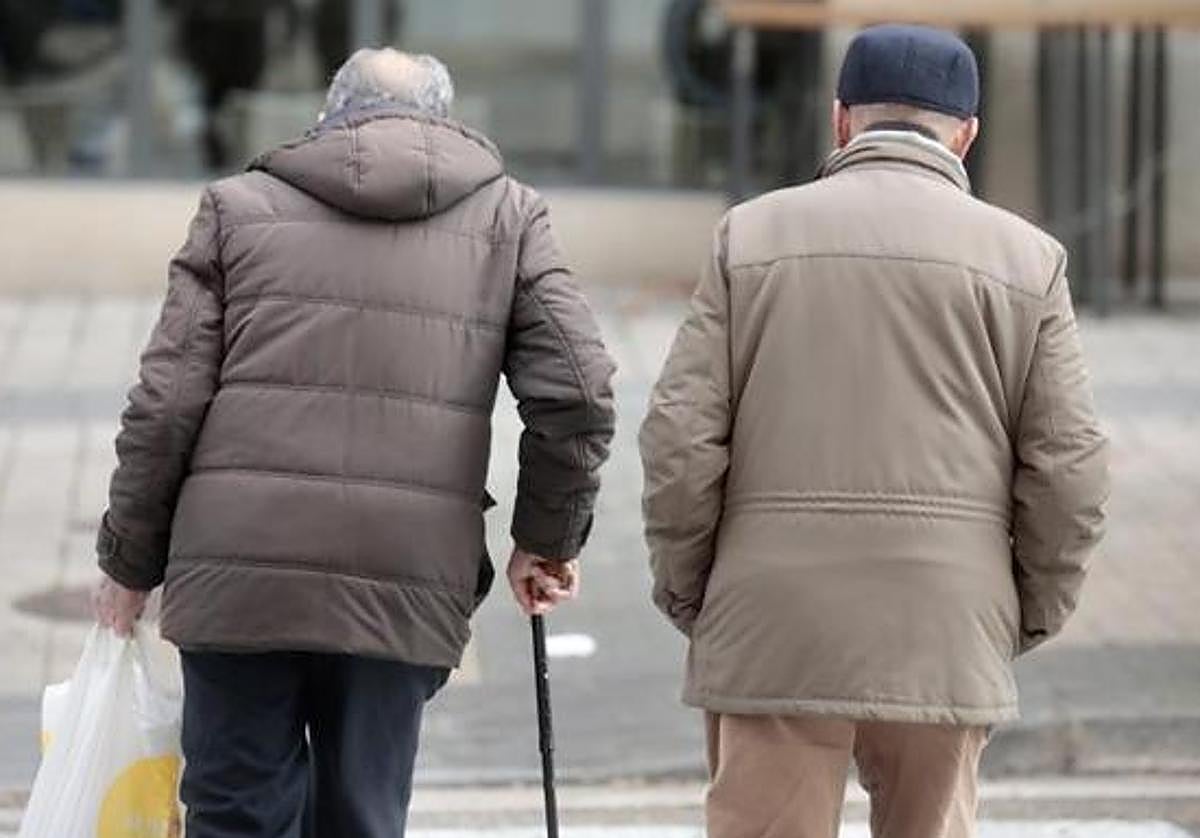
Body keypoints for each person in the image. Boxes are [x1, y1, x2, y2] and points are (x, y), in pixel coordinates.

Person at [92, 48, 616, 838]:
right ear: (444, 123)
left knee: (235, 814)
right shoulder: (508, 218)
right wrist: (543, 539)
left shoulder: (237, 208)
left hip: (241, 573)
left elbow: (166, 405)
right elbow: (578, 390)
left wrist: (129, 563)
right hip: (402, 575)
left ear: (328, 116)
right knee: (363, 818)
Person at [639, 24, 1109, 838]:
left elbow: (680, 438)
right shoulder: (1030, 262)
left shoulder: (749, 237)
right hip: (945, 621)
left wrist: (695, 591)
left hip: (774, 621)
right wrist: (1019, 612)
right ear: (965, 133)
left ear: (841, 120)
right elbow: (1070, 473)